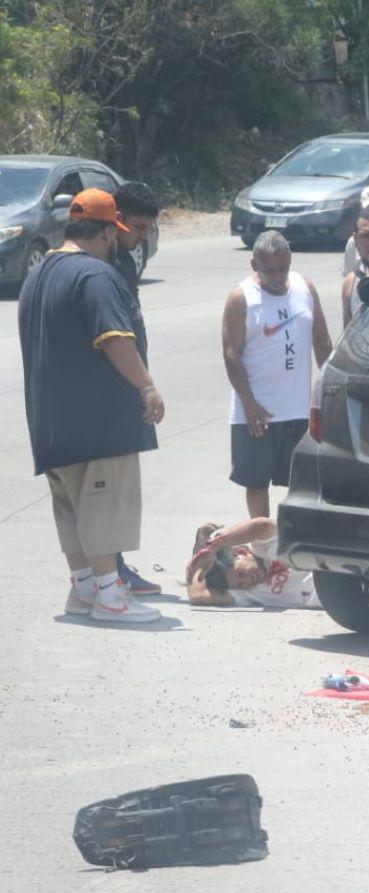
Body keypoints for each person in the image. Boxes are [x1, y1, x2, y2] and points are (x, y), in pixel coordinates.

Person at [18, 188, 166, 624]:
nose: (116, 241)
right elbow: (115, 338)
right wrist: (146, 386)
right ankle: (111, 596)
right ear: (104, 232)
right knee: (103, 503)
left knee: (70, 507)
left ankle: (83, 589)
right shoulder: (95, 275)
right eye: (114, 232)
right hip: (97, 423)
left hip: (50, 421)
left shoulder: (37, 276)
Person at [221, 230, 332, 519]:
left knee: (302, 482)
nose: (277, 276)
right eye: (268, 270)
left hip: (299, 409)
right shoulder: (241, 298)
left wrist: (331, 392)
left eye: (282, 268)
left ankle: (293, 538)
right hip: (257, 411)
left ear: (290, 259)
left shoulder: (304, 287)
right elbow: (231, 355)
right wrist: (249, 404)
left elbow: (322, 342)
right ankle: (262, 543)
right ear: (254, 264)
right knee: (257, 484)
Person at [111, 181, 162, 596]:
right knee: (110, 486)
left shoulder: (125, 261)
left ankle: (110, 567)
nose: (143, 237)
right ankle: (109, 571)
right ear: (117, 220)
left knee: (122, 484)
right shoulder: (101, 266)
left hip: (128, 385)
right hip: (112, 388)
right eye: (139, 227)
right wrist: (144, 385)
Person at [186, 518, 320, 609]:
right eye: (240, 585)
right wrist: (199, 566)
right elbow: (197, 596)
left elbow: (262, 525)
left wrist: (212, 547)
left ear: (241, 552)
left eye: (241, 573)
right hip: (328, 594)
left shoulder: (265, 547)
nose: (247, 581)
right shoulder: (250, 593)